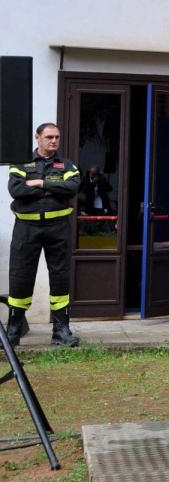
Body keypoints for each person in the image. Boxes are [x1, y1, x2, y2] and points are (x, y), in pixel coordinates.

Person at [6, 123, 82, 347]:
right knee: (20, 276)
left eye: (57, 137)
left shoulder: (68, 165)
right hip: (26, 229)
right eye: (49, 137)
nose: (54, 141)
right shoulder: (21, 164)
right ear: (37, 137)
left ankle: (61, 330)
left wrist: (39, 182)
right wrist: (52, 187)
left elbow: (72, 188)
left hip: (58, 229)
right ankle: (14, 329)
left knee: (60, 276)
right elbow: (16, 190)